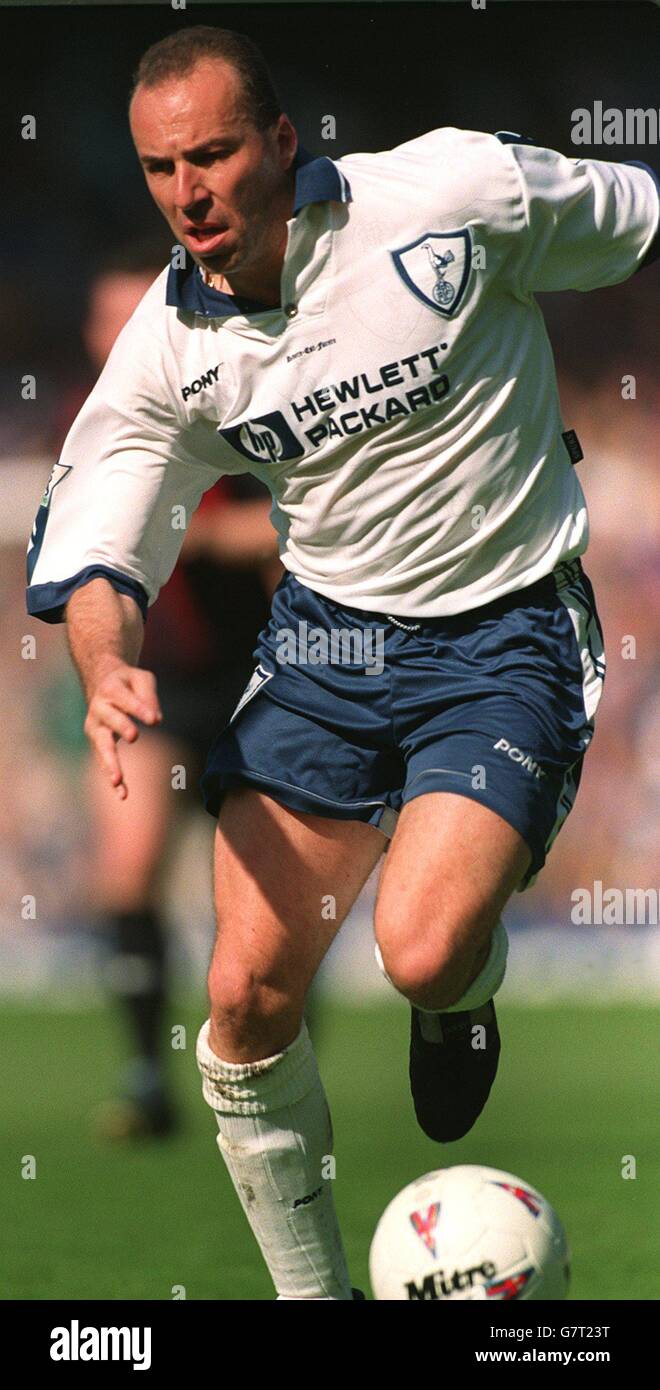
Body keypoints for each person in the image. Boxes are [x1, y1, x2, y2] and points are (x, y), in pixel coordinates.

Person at [25, 24, 659, 1299]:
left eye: (211, 154)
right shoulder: (164, 348)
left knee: (421, 948)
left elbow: (635, 217)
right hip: (326, 646)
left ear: (280, 141)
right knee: (246, 999)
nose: (189, 192)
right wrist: (106, 667)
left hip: (506, 626)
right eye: (160, 168)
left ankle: (456, 991)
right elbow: (98, 546)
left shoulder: (452, 196)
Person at [50, 247, 281, 1139]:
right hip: (155, 683)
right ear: (91, 334)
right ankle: (148, 1072)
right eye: (109, 319)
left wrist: (218, 537)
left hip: (256, 677)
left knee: (264, 902)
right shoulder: (84, 430)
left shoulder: (229, 396)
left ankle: (271, 1066)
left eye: (135, 314)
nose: (124, 333)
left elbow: (297, 517)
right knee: (128, 865)